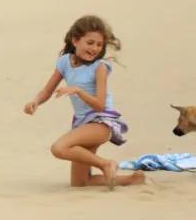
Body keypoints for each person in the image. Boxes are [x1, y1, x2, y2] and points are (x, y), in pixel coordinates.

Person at [23, 15, 145, 189]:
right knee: (80, 183)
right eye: (90, 43)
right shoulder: (65, 61)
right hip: (82, 125)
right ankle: (133, 179)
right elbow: (47, 90)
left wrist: (78, 91)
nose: (95, 48)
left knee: (59, 148)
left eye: (99, 44)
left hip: (101, 123)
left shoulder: (100, 67)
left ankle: (105, 164)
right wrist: (35, 101)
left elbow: (100, 105)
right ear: (75, 40)